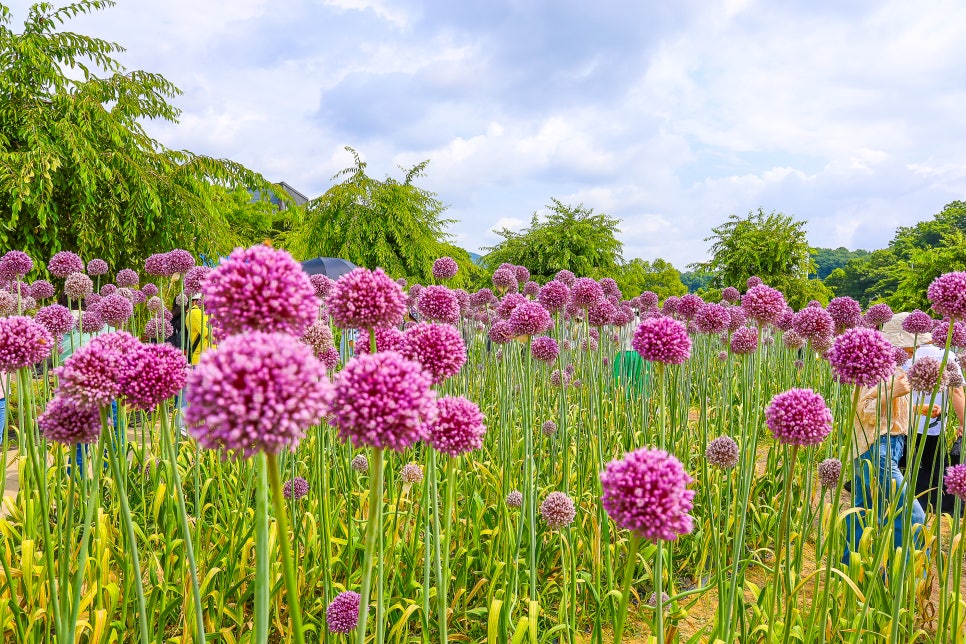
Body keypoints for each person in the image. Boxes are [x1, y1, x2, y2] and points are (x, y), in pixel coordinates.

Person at [884, 313, 966, 514]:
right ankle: (934, 505)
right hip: (933, 424)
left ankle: (902, 501)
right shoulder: (945, 354)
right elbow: (956, 391)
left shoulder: (897, 354)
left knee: (904, 466)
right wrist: (964, 423)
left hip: (901, 422)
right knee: (934, 468)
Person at [843, 365, 926, 564]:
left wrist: (915, 409)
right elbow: (864, 411)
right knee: (912, 515)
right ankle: (900, 579)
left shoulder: (898, 368)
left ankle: (851, 571)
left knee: (863, 509)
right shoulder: (875, 366)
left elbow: (888, 412)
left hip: (884, 446)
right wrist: (892, 392)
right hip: (877, 448)